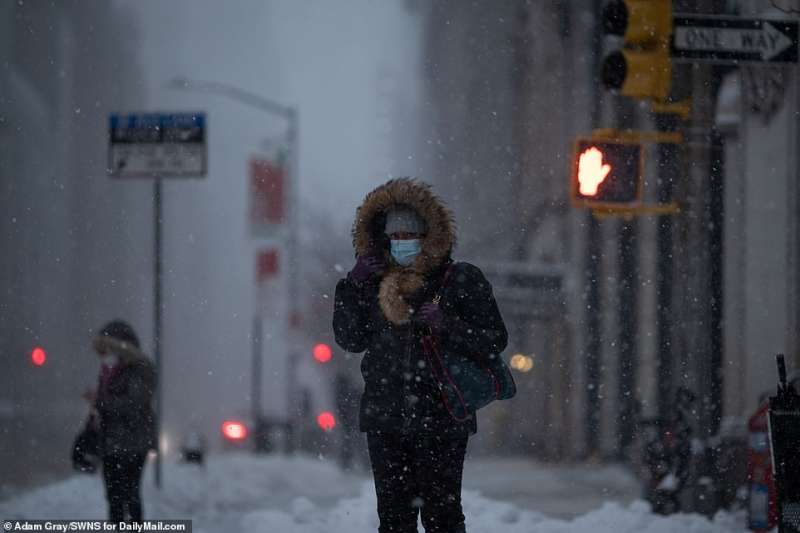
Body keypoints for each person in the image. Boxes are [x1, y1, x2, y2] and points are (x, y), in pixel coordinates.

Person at [333, 178, 508, 533]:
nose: (401, 243)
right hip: (385, 419)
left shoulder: (459, 279)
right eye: (393, 236)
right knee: (394, 519)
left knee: (443, 517)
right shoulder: (370, 283)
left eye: (408, 235)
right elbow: (350, 338)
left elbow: (495, 339)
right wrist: (352, 285)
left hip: (442, 417)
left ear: (429, 235)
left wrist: (448, 325)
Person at [83, 320, 156, 523]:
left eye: (108, 348)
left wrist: (100, 401)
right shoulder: (111, 369)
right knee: (114, 497)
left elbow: (135, 404)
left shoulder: (139, 368)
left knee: (129, 496)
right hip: (112, 441)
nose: (104, 354)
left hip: (131, 442)